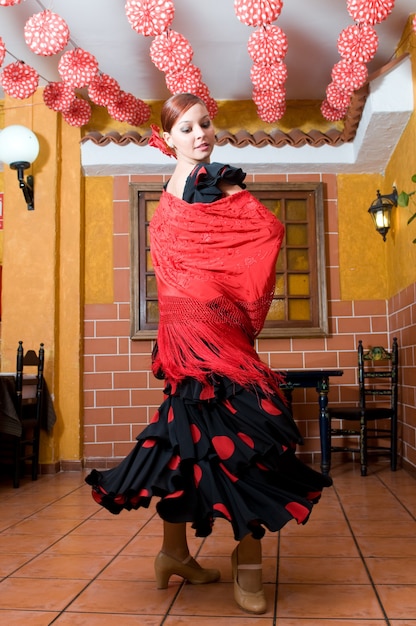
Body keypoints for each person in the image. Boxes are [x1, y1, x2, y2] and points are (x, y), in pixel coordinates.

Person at [86, 92, 332, 615]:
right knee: (185, 448)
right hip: (184, 339)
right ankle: (175, 555)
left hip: (221, 335)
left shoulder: (217, 176)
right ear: (168, 138)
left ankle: (246, 567)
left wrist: (224, 266)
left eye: (205, 124)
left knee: (249, 450)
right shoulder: (174, 188)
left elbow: (263, 230)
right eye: (187, 128)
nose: (200, 134)